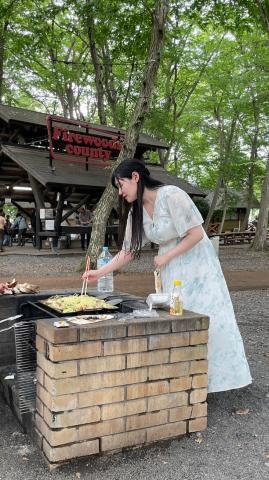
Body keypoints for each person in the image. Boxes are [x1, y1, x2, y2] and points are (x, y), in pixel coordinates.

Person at [83, 159, 252, 394]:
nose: (120, 193)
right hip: (171, 268)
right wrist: (99, 272)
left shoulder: (172, 195)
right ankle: (187, 378)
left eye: (121, 185)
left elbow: (196, 234)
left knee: (206, 314)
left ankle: (217, 380)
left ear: (135, 177)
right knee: (177, 317)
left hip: (197, 265)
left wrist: (167, 256)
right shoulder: (136, 211)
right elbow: (128, 251)